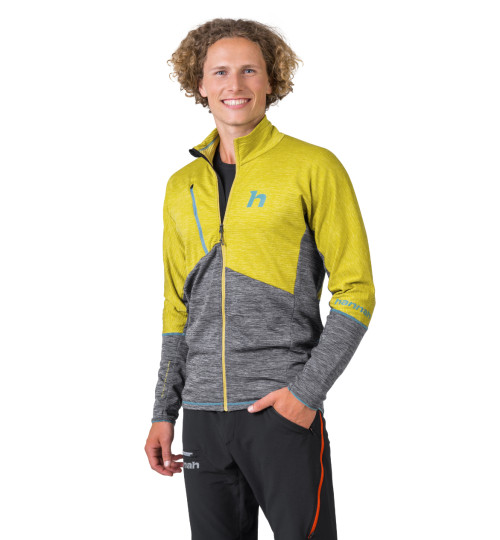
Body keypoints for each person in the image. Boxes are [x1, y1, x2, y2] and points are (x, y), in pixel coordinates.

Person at [144, 17, 376, 540]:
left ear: (271, 79)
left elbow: (357, 292)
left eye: (249, 70)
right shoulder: (181, 186)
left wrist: (304, 395)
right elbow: (176, 308)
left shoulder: (312, 166)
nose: (235, 84)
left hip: (280, 411)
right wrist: (164, 412)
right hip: (202, 419)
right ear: (199, 83)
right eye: (220, 72)